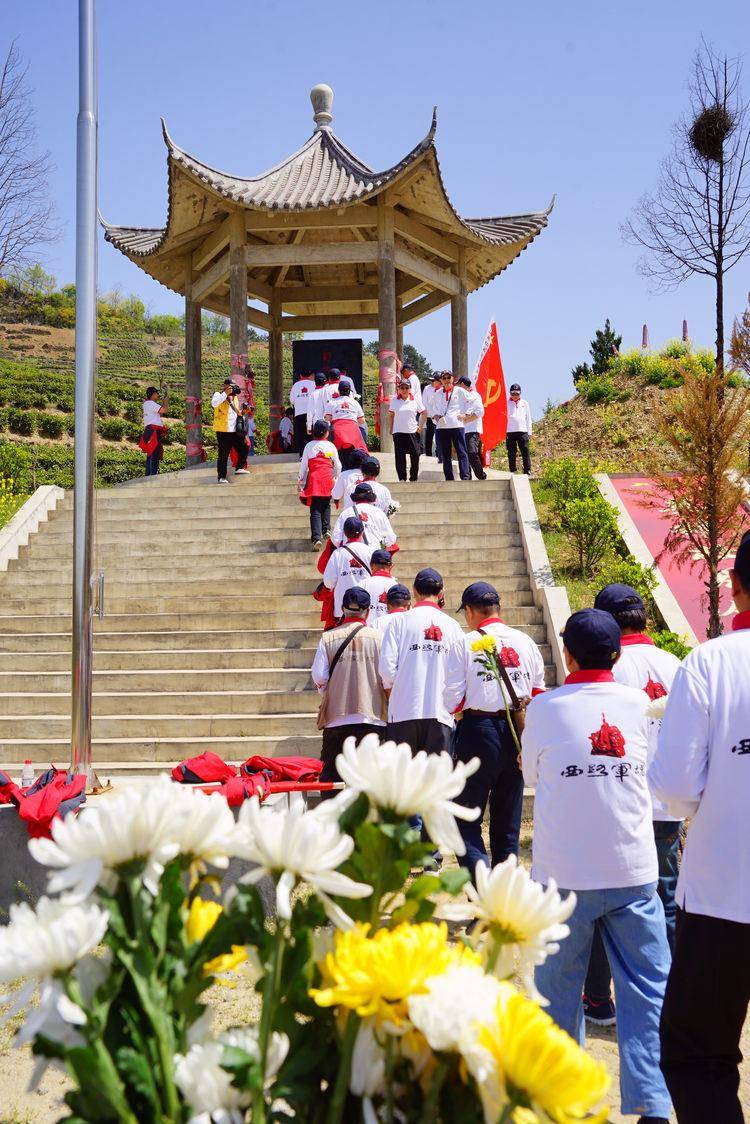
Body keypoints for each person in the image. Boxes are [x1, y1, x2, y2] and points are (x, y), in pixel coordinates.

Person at [525, 608, 672, 1124]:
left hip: (561, 877)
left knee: (556, 995)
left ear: (566, 653)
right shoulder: (639, 704)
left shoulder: (544, 707)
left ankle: (563, 1104)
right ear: (618, 654)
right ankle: (653, 1102)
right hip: (632, 869)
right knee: (648, 990)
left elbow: (532, 773)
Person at [649, 532, 750, 1124]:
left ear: (736, 586)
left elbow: (677, 786)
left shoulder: (712, 662)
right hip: (719, 892)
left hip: (723, 893)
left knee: (697, 1053)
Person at [583, 583, 682, 1028]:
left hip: (621, 805)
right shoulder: (676, 664)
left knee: (607, 903)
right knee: (668, 901)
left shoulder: (611, 669)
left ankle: (600, 1001)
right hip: (668, 803)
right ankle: (678, 1000)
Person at [444, 582, 546, 881]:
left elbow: (451, 699)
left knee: (464, 816)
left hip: (479, 730)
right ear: (498, 608)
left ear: (472, 611)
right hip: (519, 732)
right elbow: (538, 693)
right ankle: (504, 895)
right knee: (507, 821)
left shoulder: (465, 643)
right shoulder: (526, 642)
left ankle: (482, 888)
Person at [379, 568, 465, 756]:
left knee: (403, 779)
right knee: (437, 780)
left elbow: (386, 668)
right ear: (441, 592)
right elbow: (459, 673)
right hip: (441, 713)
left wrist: (396, 693)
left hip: (403, 711)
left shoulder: (399, 622)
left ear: (414, 591)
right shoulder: (453, 626)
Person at [311, 586, 388, 785]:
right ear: (368, 611)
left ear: (343, 609)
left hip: (337, 718)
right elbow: (388, 676)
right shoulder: (380, 638)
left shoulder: (328, 638)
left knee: (333, 781)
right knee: (370, 781)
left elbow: (319, 675)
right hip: (372, 717)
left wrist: (329, 689)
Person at [322, 516, 377, 621]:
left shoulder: (338, 553)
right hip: (366, 609)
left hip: (344, 610)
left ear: (345, 533)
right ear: (362, 532)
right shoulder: (370, 551)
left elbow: (328, 581)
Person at [298, 419, 342, 549]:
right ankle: (326, 529)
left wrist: (300, 479)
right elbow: (338, 465)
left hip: (314, 479)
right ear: (327, 433)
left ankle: (316, 537)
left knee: (315, 509)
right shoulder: (331, 446)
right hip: (328, 478)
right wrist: (337, 478)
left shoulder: (308, 446)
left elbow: (304, 465)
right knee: (326, 505)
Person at [431, 370, 471, 481]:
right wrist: (435, 415)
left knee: (461, 452)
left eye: (449, 377)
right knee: (445, 455)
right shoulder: (437, 393)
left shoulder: (459, 391)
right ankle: (449, 478)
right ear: (441, 380)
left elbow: (471, 401)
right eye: (444, 378)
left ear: (453, 379)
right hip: (442, 427)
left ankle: (465, 477)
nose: (447, 380)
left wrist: (466, 415)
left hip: (457, 425)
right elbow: (432, 407)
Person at [331, 483, 396, 549]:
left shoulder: (346, 513)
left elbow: (336, 538)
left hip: (352, 554)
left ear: (355, 497)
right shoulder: (379, 513)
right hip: (374, 554)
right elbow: (391, 538)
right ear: (371, 497)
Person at [211, 378, 248, 484]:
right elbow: (214, 404)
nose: (234, 388)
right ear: (226, 386)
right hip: (223, 430)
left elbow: (236, 413)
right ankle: (221, 477)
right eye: (232, 386)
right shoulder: (218, 394)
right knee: (223, 454)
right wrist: (225, 394)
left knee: (244, 448)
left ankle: (239, 467)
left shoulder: (235, 398)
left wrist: (244, 411)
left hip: (234, 430)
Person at [389, 377, 425, 483]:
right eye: (402, 388)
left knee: (415, 455)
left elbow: (424, 413)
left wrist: (421, 426)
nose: (404, 390)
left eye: (406, 388)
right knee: (400, 457)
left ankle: (413, 477)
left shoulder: (415, 400)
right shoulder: (394, 400)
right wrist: (391, 428)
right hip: (398, 432)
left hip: (412, 431)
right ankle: (402, 478)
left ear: (410, 389)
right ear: (399, 389)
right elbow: (391, 415)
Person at [326, 378, 367, 465]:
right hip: (353, 432)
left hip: (337, 432)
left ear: (339, 390)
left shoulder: (332, 402)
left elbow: (327, 418)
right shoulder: (355, 403)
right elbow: (362, 421)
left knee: (333, 454)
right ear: (349, 391)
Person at [456, 375, 487, 481]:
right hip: (461, 430)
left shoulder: (474, 395)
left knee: (472, 453)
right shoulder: (460, 397)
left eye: (458, 385)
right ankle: (466, 477)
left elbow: (480, 412)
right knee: (463, 455)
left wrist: (466, 419)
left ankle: (481, 475)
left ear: (462, 385)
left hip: (472, 430)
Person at [360, 550, 399, 627]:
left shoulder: (362, 584)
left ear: (371, 565)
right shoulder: (397, 587)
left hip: (366, 634)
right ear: (391, 566)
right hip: (388, 634)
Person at [140, 385, 168, 476]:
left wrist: (163, 403)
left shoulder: (147, 404)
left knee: (151, 453)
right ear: (153, 394)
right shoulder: (151, 404)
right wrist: (166, 402)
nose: (158, 395)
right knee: (154, 453)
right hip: (153, 431)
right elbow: (165, 410)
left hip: (150, 430)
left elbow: (160, 414)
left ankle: (149, 474)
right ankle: (152, 475)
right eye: (157, 393)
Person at [506, 382, 532, 475]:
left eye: (517, 393)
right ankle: (512, 470)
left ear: (520, 393)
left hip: (522, 431)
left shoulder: (525, 403)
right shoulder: (506, 404)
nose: (515, 396)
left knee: (525, 451)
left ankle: (527, 470)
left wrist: (529, 432)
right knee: (511, 452)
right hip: (510, 431)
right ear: (510, 393)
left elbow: (528, 418)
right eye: (513, 393)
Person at [290, 371, 315, 456]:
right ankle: (312, 454)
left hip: (299, 414)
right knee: (311, 435)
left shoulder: (296, 385)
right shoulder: (313, 384)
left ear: (300, 375)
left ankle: (302, 455)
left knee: (300, 436)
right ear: (310, 375)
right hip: (311, 414)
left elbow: (292, 401)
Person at [421, 372, 443, 459]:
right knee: (429, 435)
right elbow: (425, 402)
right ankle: (428, 454)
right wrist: (426, 414)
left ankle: (440, 454)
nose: (432, 382)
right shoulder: (427, 389)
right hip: (430, 416)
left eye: (434, 380)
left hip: (440, 418)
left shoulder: (443, 389)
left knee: (440, 437)